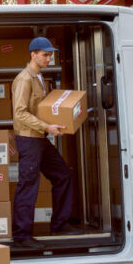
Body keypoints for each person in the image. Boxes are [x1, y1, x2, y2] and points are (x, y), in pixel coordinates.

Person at [10, 37, 81, 249]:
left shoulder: (40, 76)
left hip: (39, 137)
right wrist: (46, 127)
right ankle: (21, 236)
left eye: (50, 55)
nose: (49, 58)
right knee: (28, 185)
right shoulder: (24, 79)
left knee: (63, 175)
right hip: (29, 139)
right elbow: (20, 113)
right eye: (45, 55)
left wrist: (54, 122)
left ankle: (60, 224)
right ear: (33, 54)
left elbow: (40, 109)